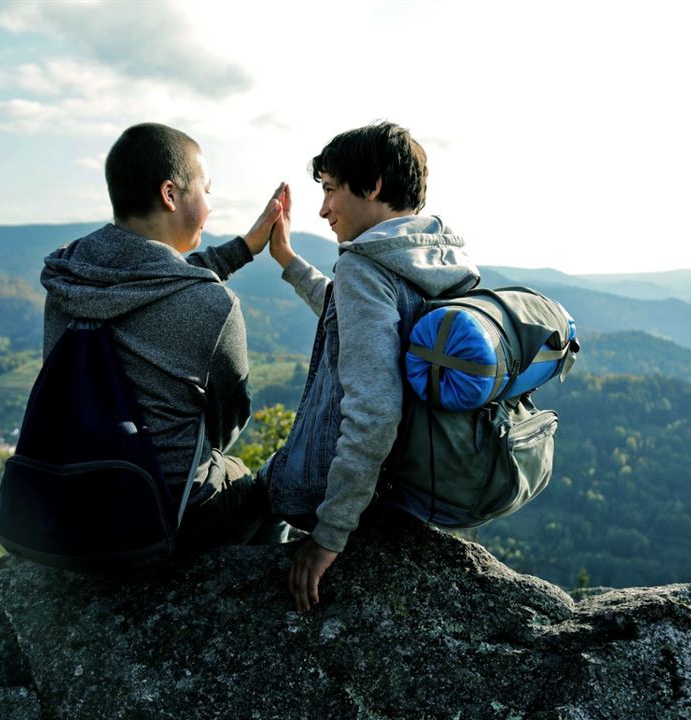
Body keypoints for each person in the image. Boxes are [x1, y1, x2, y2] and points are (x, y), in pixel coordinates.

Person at [262, 121, 480, 611]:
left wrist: (327, 537)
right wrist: (290, 262)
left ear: (374, 185)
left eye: (331, 189)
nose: (323, 209)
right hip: (410, 485)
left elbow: (376, 411)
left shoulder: (364, 265)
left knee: (228, 502)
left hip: (330, 493)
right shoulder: (436, 258)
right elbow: (356, 324)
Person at [40, 122, 284, 553]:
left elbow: (152, 277)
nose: (210, 205)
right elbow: (228, 420)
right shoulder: (214, 307)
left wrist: (244, 247)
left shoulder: (69, 278)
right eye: (206, 191)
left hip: (72, 502)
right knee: (267, 488)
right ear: (171, 195)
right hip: (162, 516)